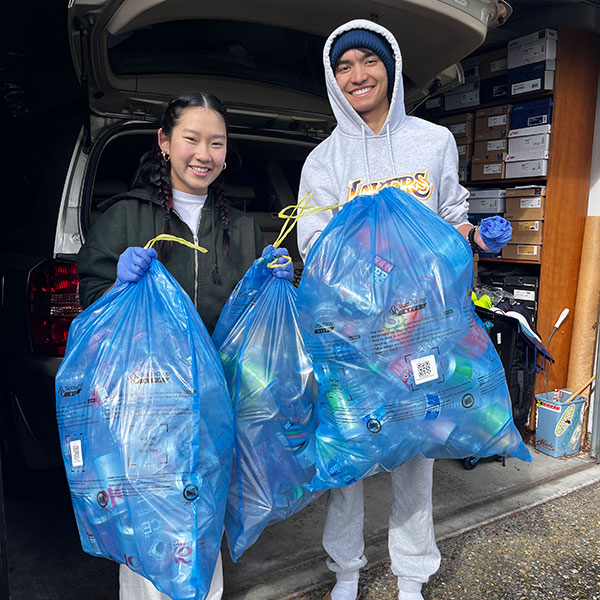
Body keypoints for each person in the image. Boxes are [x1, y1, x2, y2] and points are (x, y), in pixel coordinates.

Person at [296, 20, 511, 600]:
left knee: (417, 455)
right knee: (351, 455)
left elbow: (450, 216)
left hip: (424, 330)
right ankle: (345, 571)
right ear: (331, 77)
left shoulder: (432, 141)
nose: (357, 75)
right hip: (354, 335)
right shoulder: (323, 161)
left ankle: (411, 574)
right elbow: (312, 243)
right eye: (343, 66)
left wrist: (475, 233)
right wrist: (371, 252)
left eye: (367, 61)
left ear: (390, 66)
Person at [77, 91, 293, 600]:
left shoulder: (240, 228)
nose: (203, 154)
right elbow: (90, 300)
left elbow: (251, 320)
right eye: (191, 139)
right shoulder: (126, 217)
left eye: (216, 143)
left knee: (201, 517)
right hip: (145, 401)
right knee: (145, 520)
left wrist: (278, 282)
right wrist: (116, 282)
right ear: (164, 142)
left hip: (212, 404)